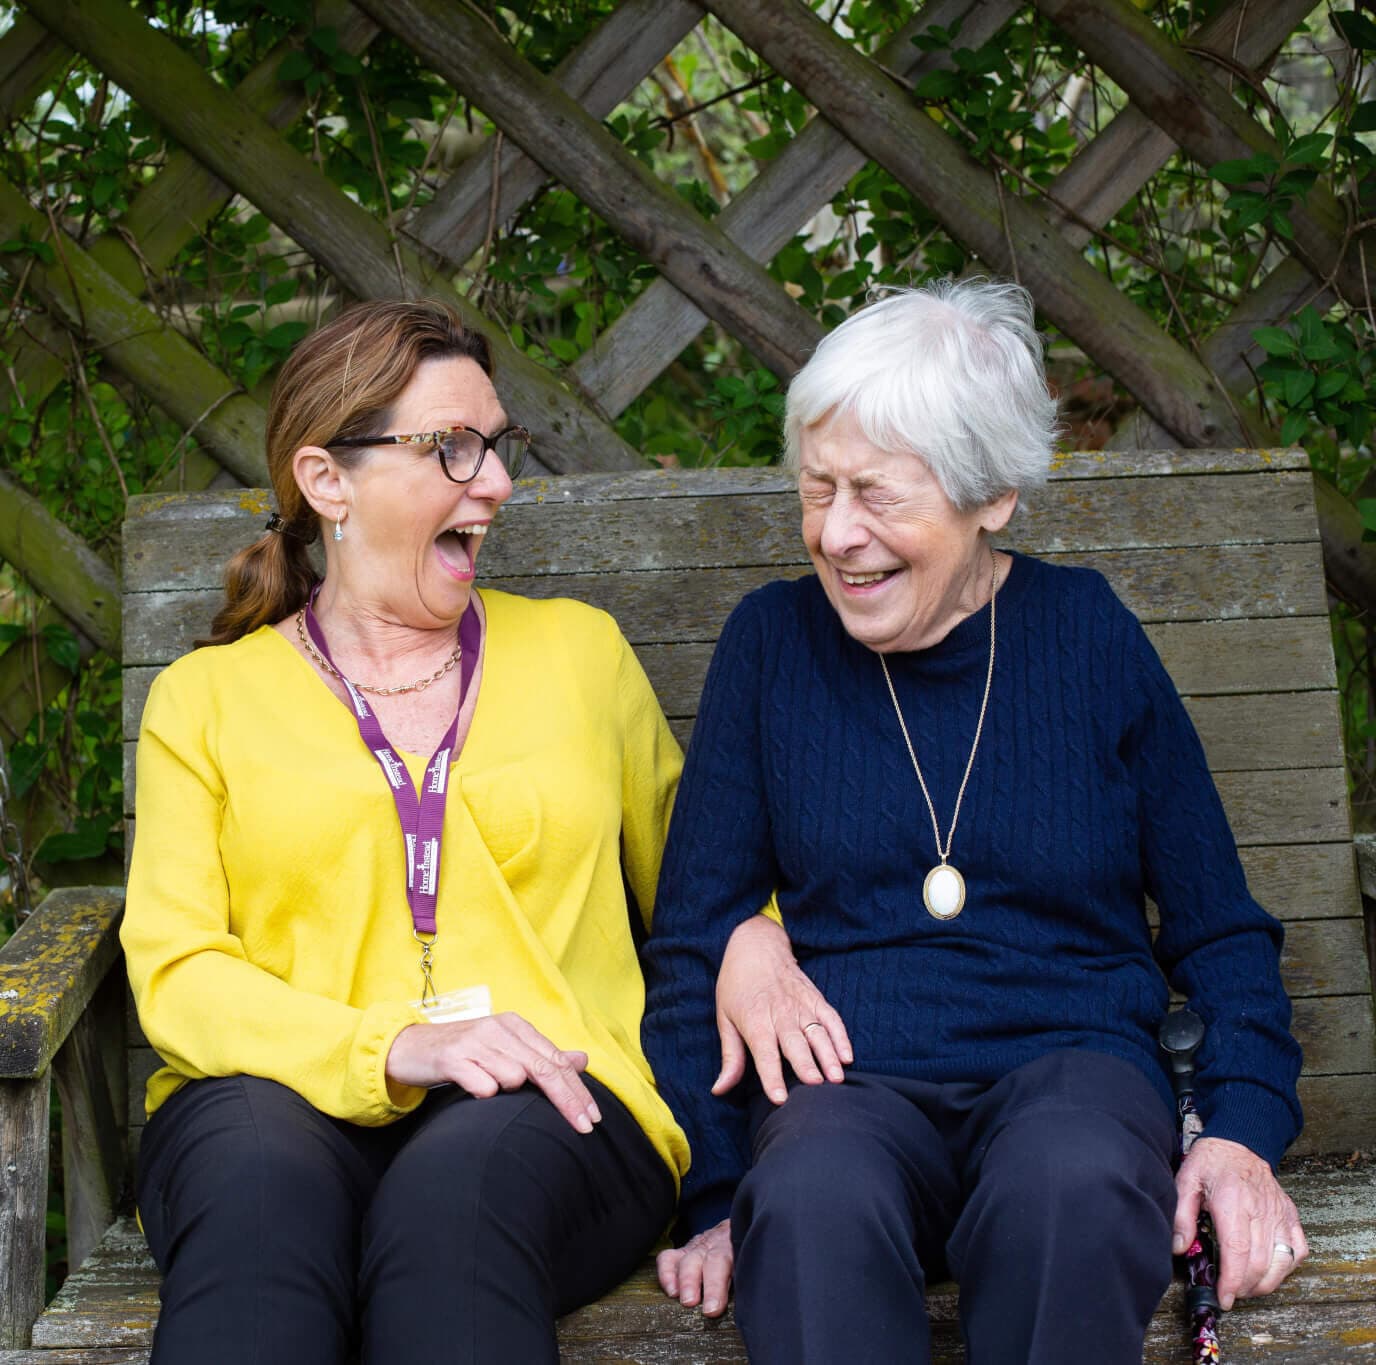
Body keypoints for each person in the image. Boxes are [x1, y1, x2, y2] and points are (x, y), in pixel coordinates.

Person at [640, 278, 1307, 1363]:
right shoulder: (769, 645)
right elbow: (688, 942)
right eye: (816, 491)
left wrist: (1236, 1132)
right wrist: (715, 1197)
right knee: (803, 1202)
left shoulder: (1084, 638)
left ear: (989, 494)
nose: (836, 535)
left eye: (876, 495)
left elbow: (1218, 929)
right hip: (842, 1089)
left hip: (1073, 1071)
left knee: (1074, 1190)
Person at [121, 299, 686, 1365]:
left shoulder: (581, 654)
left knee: (452, 1218)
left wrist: (756, 939)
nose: (497, 483)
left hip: (549, 1093)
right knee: (252, 1213)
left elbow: (704, 892)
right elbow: (181, 971)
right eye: (452, 448)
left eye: (496, 445)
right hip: (274, 1096)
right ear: (327, 480)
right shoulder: (205, 700)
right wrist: (390, 1048)